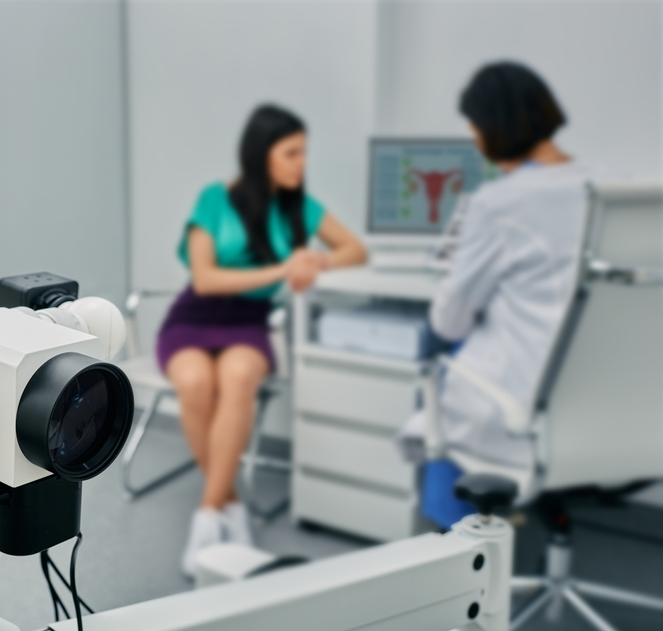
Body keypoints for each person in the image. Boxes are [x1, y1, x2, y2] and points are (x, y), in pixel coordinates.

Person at [157, 104, 367, 576]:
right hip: (195, 314)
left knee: (237, 377)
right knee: (195, 384)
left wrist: (318, 262)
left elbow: (356, 250)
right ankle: (231, 506)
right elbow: (205, 278)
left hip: (250, 321)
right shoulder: (214, 199)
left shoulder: (300, 209)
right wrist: (283, 269)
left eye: (304, 153)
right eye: (291, 153)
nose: (301, 164)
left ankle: (207, 517)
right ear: (260, 153)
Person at [400, 62, 607, 527]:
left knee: (438, 357)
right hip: (613, 410)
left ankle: (450, 542)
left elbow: (450, 319)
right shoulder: (618, 189)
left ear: (493, 128)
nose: (475, 140)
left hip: (524, 415)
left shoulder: (498, 202)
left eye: (474, 128)